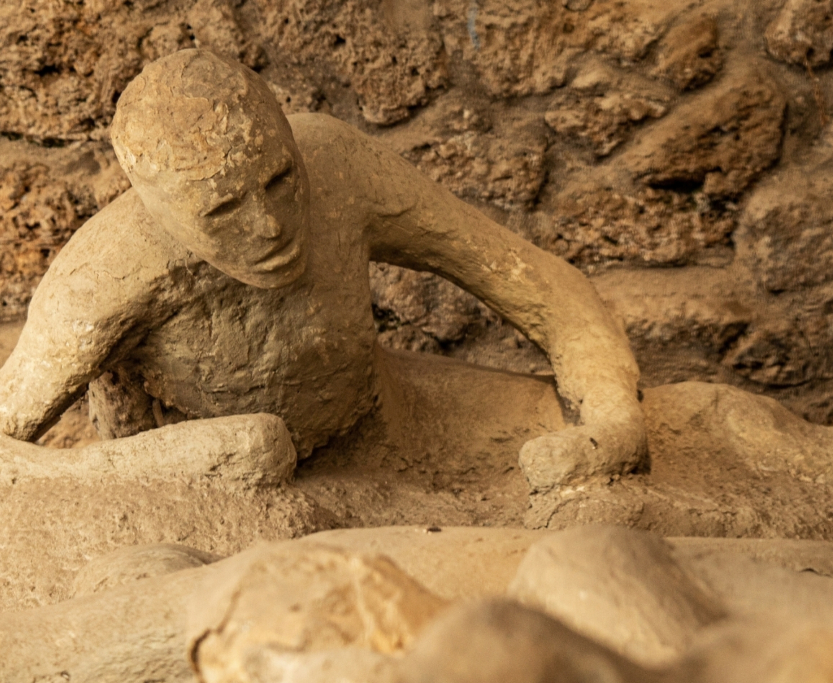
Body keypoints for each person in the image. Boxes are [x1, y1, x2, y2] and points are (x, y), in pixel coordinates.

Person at [0, 49, 646, 490]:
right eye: (223, 209)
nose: (270, 224)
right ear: (161, 212)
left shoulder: (335, 164)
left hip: (392, 434)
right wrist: (185, 460)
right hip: (217, 501)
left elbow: (539, 283)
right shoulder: (101, 276)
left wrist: (612, 422)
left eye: (280, 180)